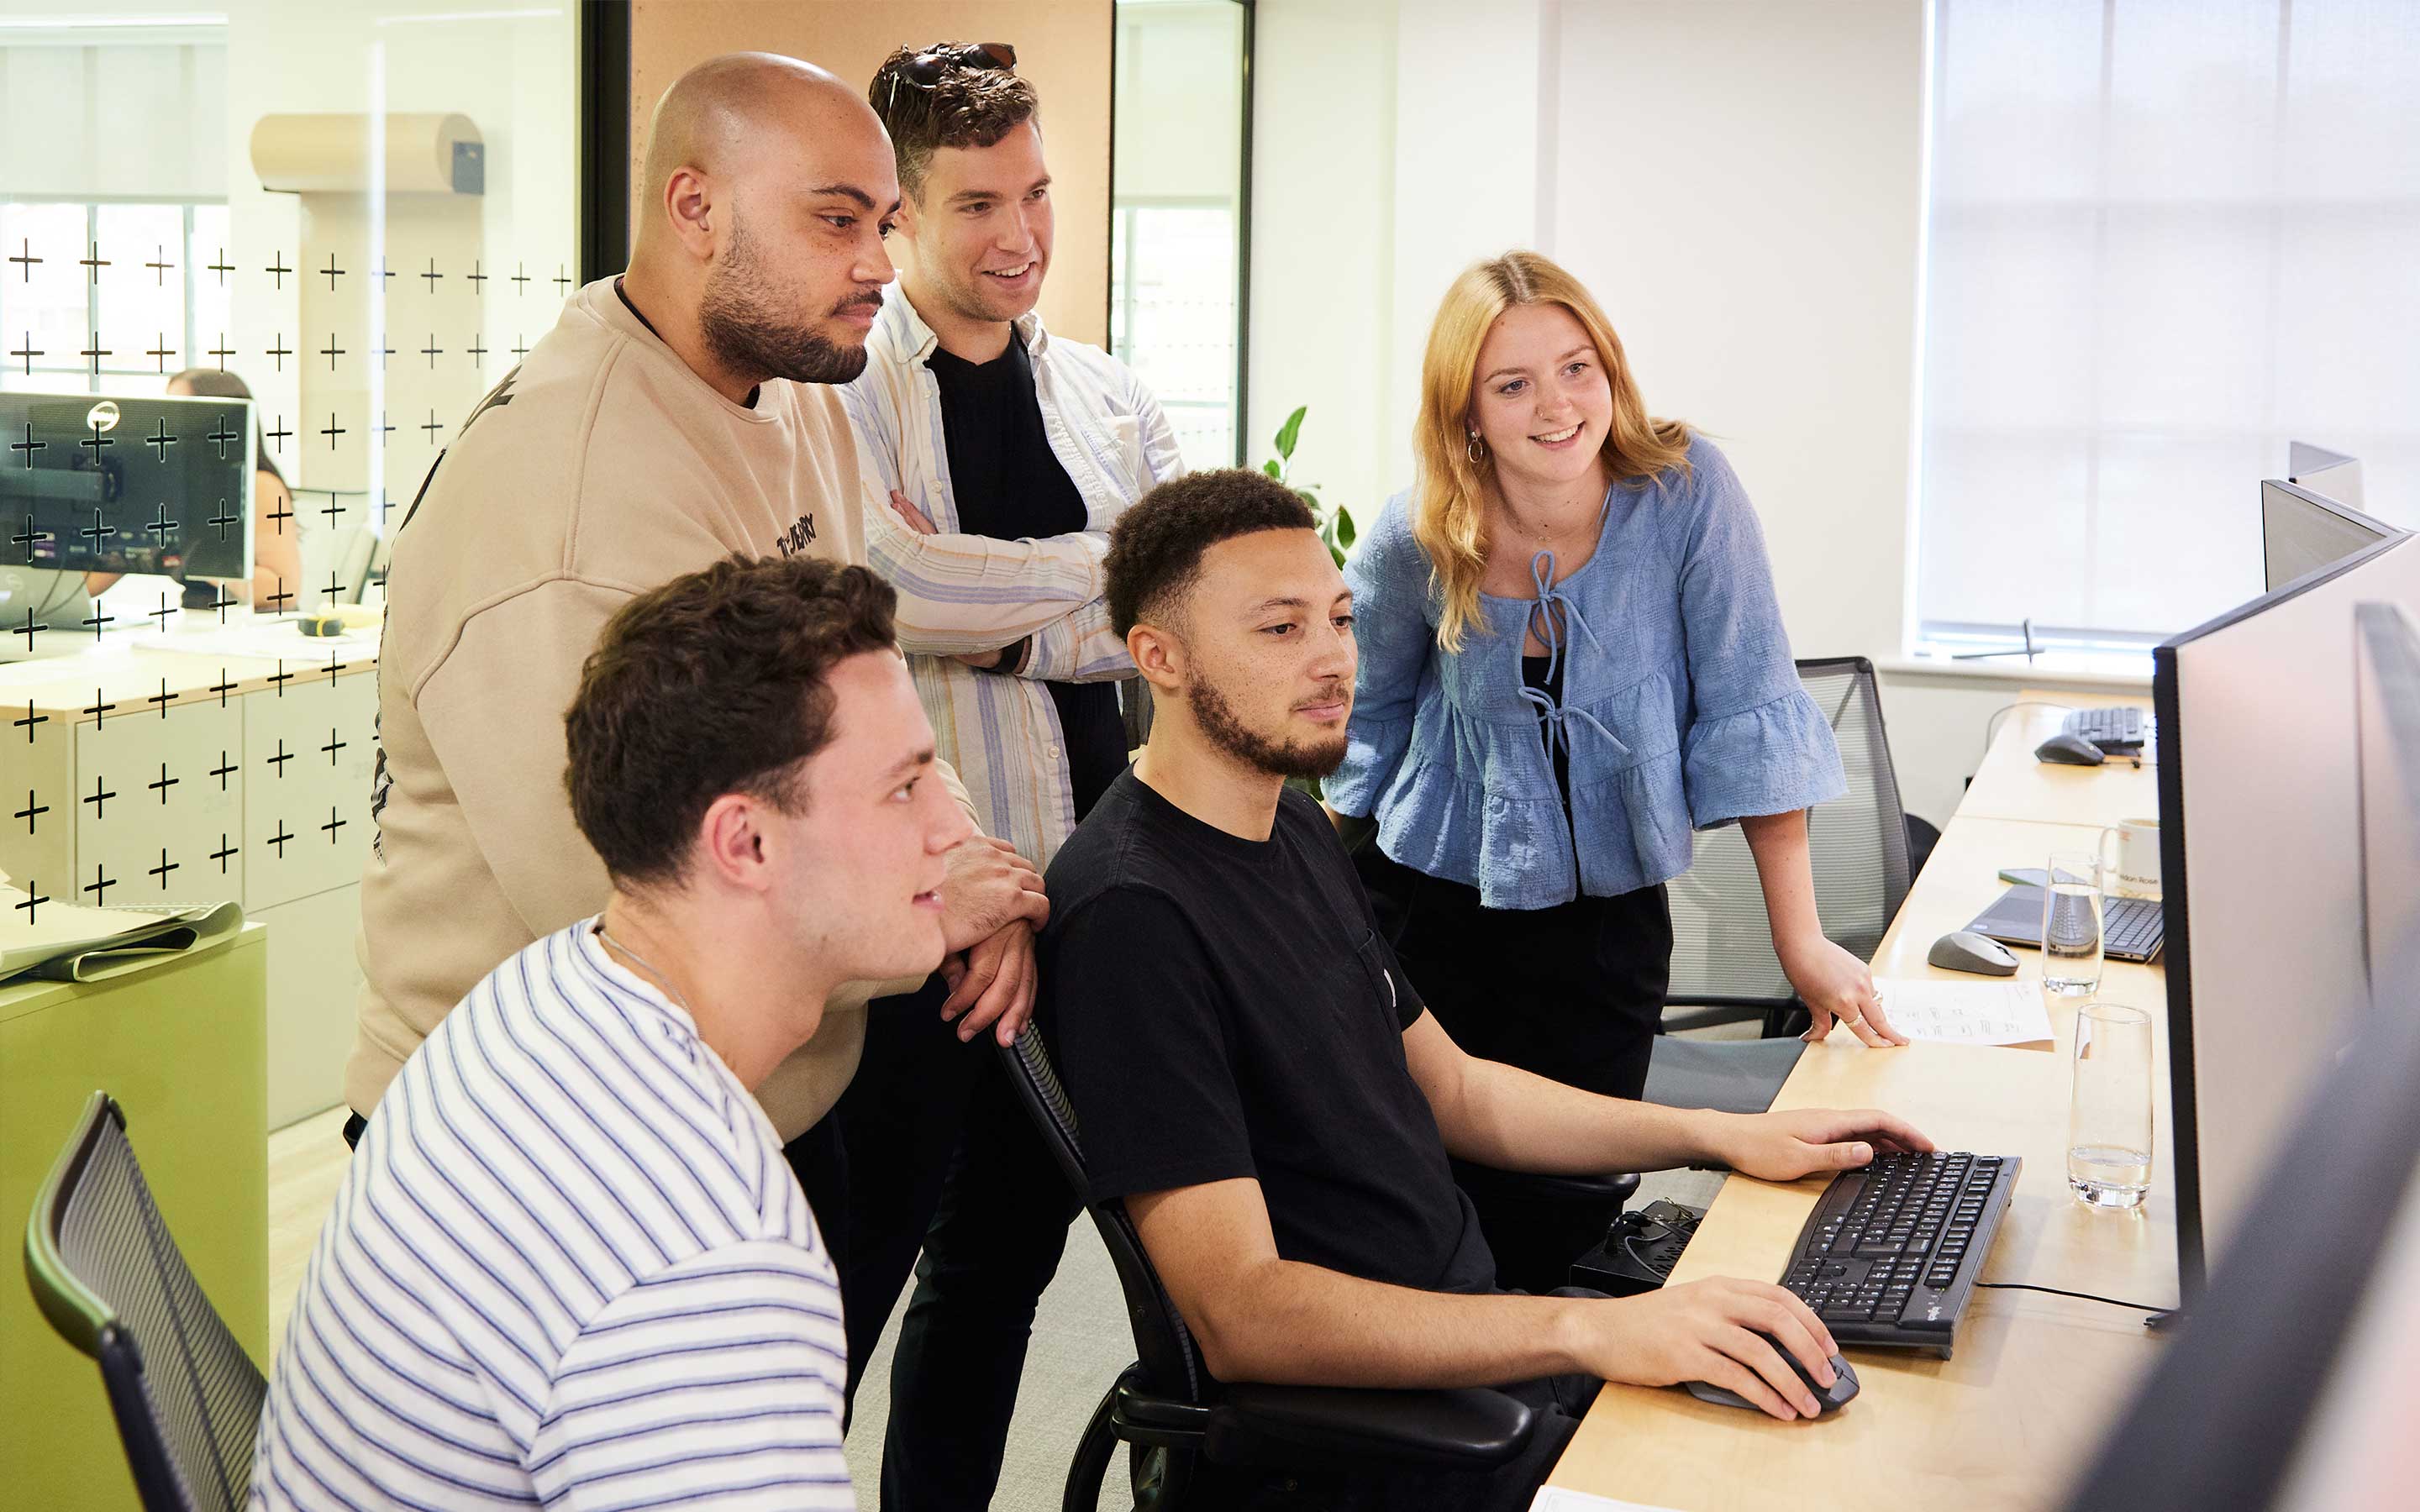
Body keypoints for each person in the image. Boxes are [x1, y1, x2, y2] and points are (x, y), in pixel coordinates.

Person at [1039, 470, 1933, 1510]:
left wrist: (1717, 1137)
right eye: (1280, 631)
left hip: (1480, 1348)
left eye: (1338, 618)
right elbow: (1244, 1314)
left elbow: (1458, 1092)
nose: (1333, 658)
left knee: (1874, 1425)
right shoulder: (1132, 916)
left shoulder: (1287, 827)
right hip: (1385, 1445)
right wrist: (1588, 1327)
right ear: (1162, 658)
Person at [349, 53, 1045, 1231]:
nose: (880, 264)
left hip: (763, 1084)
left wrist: (969, 864)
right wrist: (941, 911)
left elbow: (874, 711)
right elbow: (627, 894)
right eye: (836, 223)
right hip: (554, 1150)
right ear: (694, 208)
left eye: (881, 223)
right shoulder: (566, 506)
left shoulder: (799, 388)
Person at [251, 554, 967, 1509]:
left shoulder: (547, 990)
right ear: (746, 843)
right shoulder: (705, 1255)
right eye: (905, 788)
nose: (950, 831)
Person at [1323, 249, 1907, 1294]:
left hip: (1606, 928)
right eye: (1514, 383)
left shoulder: (1683, 496)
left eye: (1577, 367)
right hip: (1427, 914)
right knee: (1426, 1214)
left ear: (1612, 372)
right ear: (1467, 411)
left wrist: (1801, 938)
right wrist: (1308, 904)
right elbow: (1357, 720)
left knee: (1561, 1215)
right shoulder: (1420, 533)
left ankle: (1541, 1426)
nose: (1556, 406)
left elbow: (1751, 709)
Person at [825, 40, 1182, 1506]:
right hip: (926, 920)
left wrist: (994, 629)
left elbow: (1175, 620)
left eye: (1036, 194)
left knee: (997, 1283)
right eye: (978, 205)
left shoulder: (1111, 400)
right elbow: (881, 585)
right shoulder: (841, 399)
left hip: (1087, 906)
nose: (1022, 235)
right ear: (903, 215)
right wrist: (1101, 585)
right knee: (847, 1282)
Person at [87, 367, 302, 611]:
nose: (167, 422)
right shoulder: (168, 490)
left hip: (253, 631)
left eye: (181, 411)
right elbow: (91, 584)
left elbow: (283, 590)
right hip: (196, 626)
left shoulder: (260, 486)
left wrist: (186, 552)